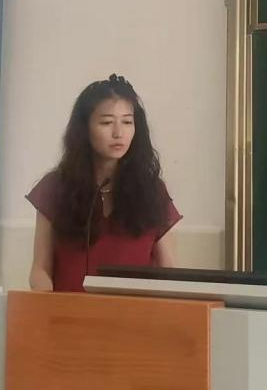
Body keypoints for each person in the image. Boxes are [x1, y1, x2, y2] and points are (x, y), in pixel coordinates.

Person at [27, 74, 181, 292]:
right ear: (84, 128)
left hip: (136, 312)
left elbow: (169, 269)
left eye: (127, 122)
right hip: (68, 311)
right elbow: (40, 269)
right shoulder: (55, 187)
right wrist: (47, 303)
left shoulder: (152, 190)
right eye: (107, 122)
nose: (118, 133)